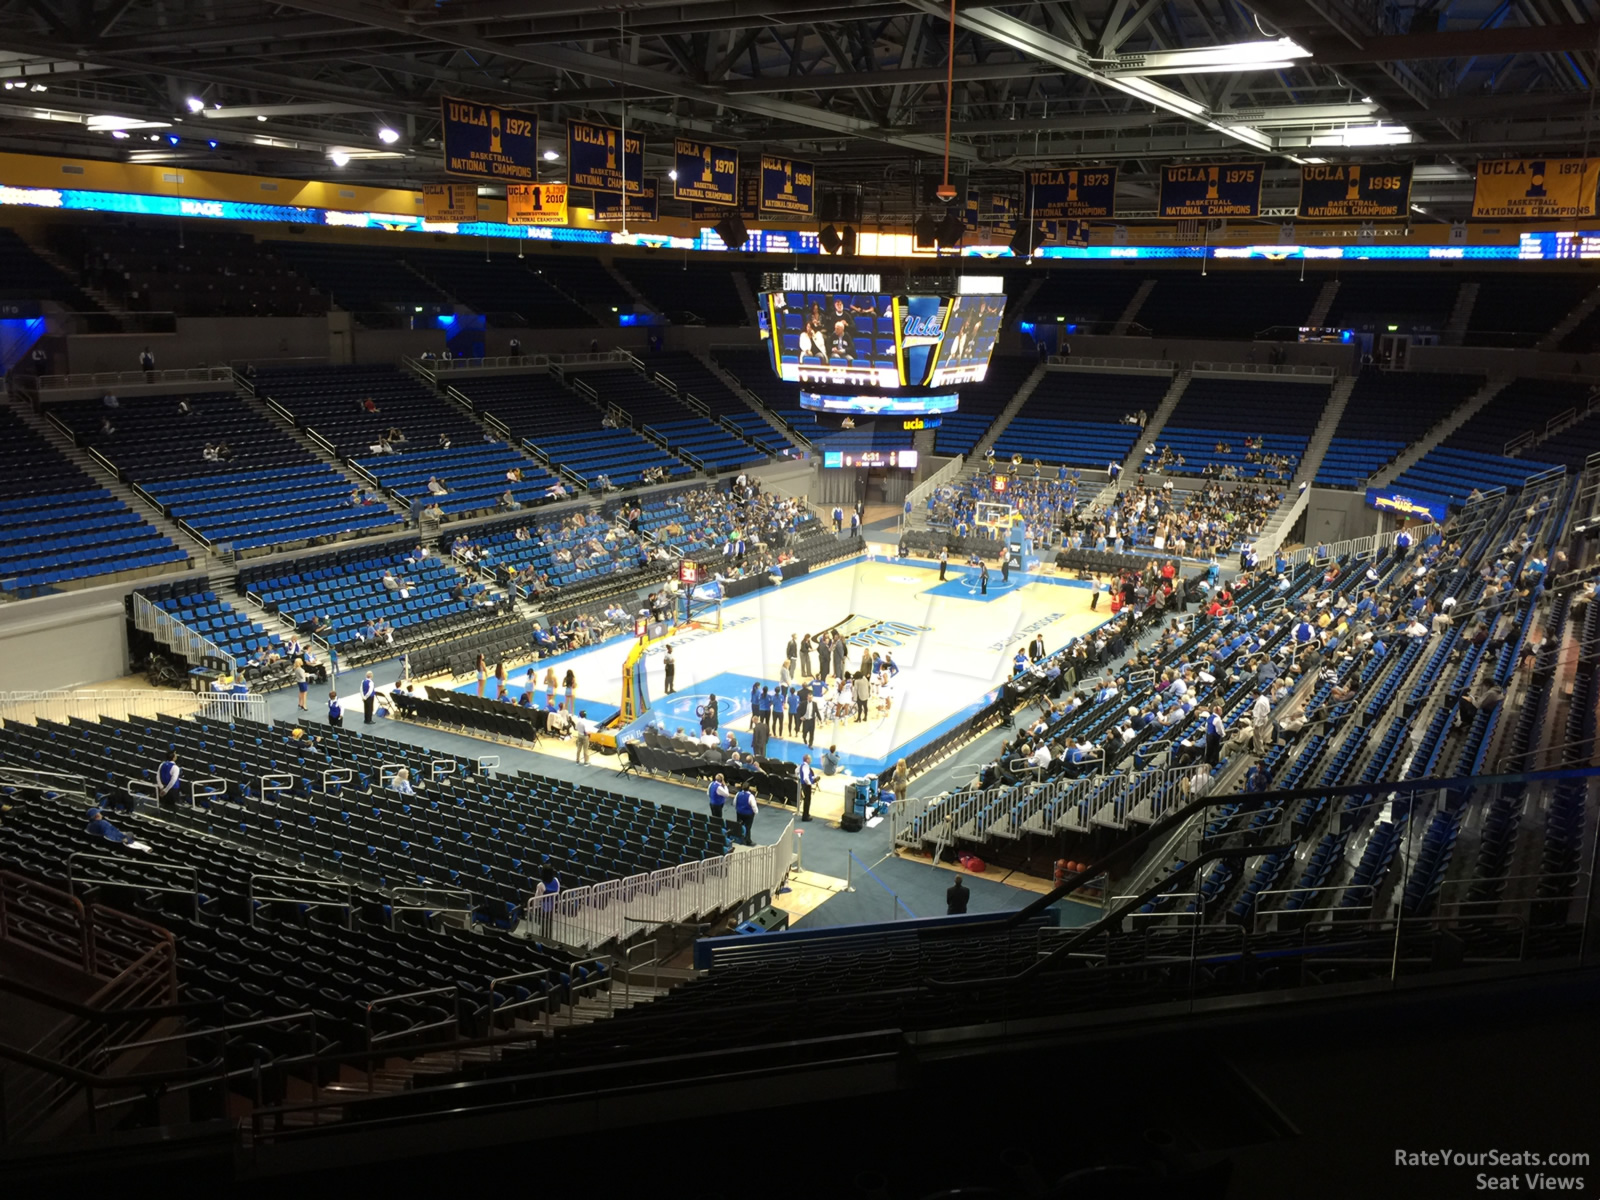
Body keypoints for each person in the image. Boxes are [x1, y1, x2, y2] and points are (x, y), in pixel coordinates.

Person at [531, 865, 560, 939]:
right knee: (549, 925)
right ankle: (548, 939)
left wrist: (533, 908)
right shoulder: (556, 881)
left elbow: (537, 898)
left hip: (543, 908)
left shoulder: (541, 885)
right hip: (552, 906)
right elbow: (557, 892)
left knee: (543, 925)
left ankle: (543, 940)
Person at [797, 754, 816, 821]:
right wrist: (809, 783)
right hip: (806, 785)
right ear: (807, 759)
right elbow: (805, 778)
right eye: (810, 759)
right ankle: (805, 816)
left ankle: (806, 814)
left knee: (807, 800)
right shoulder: (805, 766)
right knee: (807, 800)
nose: (811, 760)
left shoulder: (802, 765)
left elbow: (797, 771)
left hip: (804, 784)